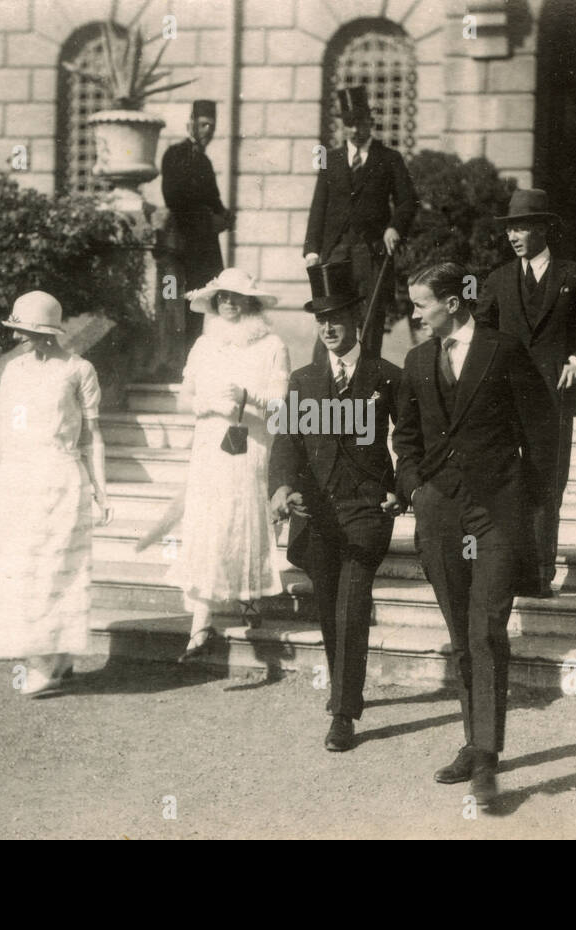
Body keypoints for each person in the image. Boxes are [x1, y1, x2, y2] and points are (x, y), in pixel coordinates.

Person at [393, 261, 555, 807]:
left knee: (487, 629)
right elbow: (406, 438)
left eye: (420, 303)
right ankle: (472, 740)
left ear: (452, 302)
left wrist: (526, 501)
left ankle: (486, 758)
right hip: (439, 513)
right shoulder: (417, 361)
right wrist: (417, 490)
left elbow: (543, 429)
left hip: (495, 513)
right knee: (462, 634)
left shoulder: (502, 350)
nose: (413, 313)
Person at [268, 262, 403, 752]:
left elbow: (412, 441)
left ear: (355, 316)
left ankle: (344, 712)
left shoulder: (387, 377)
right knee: (330, 609)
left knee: (350, 606)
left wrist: (402, 487)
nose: (328, 327)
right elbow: (286, 443)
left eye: (336, 317)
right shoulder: (303, 380)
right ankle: (345, 689)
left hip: (366, 511)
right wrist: (282, 489)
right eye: (320, 319)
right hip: (317, 516)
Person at [475, 189, 576, 598]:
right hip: (503, 401)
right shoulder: (499, 280)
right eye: (509, 229)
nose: (513, 236)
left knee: (545, 487)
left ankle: (538, 576)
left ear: (543, 229)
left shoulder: (574, 277)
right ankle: (504, 570)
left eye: (521, 227)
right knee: (505, 485)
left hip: (552, 402)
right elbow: (479, 335)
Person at [0, 291, 113, 697]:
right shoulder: (14, 371)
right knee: (18, 572)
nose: (18, 338)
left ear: (47, 333)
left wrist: (102, 492)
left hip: (59, 478)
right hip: (16, 481)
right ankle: (52, 658)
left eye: (26, 331)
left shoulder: (79, 370)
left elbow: (94, 437)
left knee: (52, 571)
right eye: (17, 330)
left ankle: (48, 662)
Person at [168, 268, 290, 661]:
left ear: (252, 302)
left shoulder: (271, 345)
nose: (230, 303)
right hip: (209, 444)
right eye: (223, 297)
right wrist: (208, 404)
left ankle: (249, 602)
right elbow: (183, 398)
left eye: (237, 297)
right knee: (209, 524)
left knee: (242, 521)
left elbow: (281, 405)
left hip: (248, 442)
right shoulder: (205, 345)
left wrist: (248, 396)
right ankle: (200, 624)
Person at [303, 85, 417, 362]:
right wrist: (311, 248)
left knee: (369, 319)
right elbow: (319, 207)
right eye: (349, 124)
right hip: (336, 253)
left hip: (371, 253)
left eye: (360, 123)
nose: (355, 130)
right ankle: (325, 383)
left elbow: (408, 201)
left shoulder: (389, 159)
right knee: (331, 315)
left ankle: (364, 383)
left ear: (370, 122)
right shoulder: (332, 159)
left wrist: (394, 227)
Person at [162, 99, 231, 353]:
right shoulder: (175, 154)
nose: (207, 131)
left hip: (206, 246)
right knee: (187, 304)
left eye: (211, 126)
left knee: (211, 302)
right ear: (190, 124)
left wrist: (225, 216)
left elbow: (214, 200)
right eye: (202, 125)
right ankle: (184, 358)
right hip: (185, 244)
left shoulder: (205, 161)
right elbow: (175, 199)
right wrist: (208, 219)